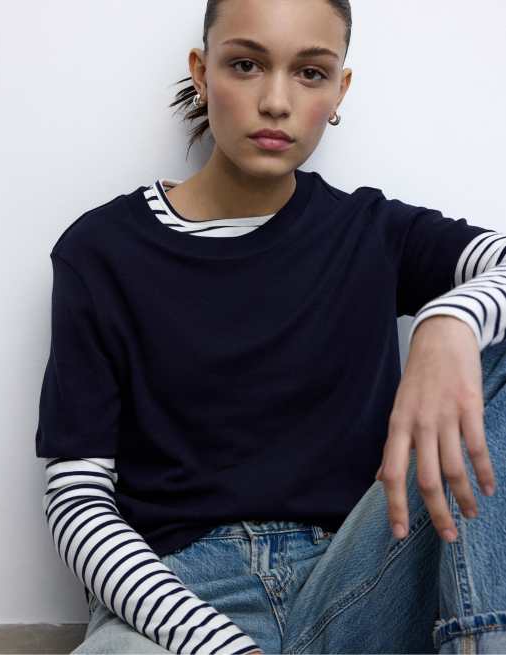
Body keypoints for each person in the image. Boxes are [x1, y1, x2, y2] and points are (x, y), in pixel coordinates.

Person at [35, 0, 506, 653]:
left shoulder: (372, 232)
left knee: (497, 348)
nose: (276, 102)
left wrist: (448, 319)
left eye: (310, 73)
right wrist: (218, 643)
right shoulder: (101, 251)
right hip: (179, 597)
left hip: (360, 582)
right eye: (246, 65)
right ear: (202, 72)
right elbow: (77, 497)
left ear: (339, 90)